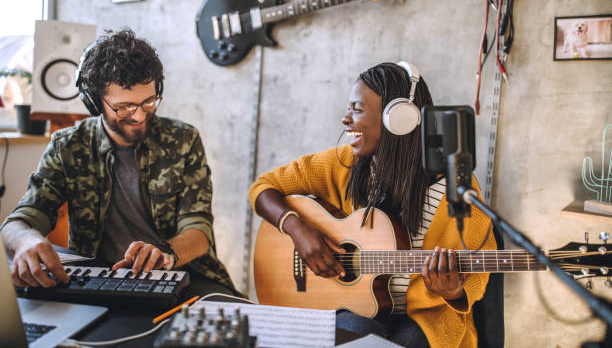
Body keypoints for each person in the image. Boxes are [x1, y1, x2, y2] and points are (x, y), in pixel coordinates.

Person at [248, 62, 496, 347]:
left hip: (427, 317)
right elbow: (263, 187)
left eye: (357, 109)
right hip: (355, 307)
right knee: (351, 331)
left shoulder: (456, 185)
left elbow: (478, 273)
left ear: (398, 118)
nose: (345, 119)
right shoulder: (343, 163)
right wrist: (297, 228)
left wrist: (453, 292)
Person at [1, 28, 240, 297]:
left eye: (149, 101)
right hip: (101, 280)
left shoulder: (183, 139)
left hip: (184, 276)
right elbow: (20, 219)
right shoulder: (67, 145)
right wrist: (26, 240)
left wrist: (166, 254)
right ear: (93, 102)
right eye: (124, 107)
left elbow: (198, 229)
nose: (139, 116)